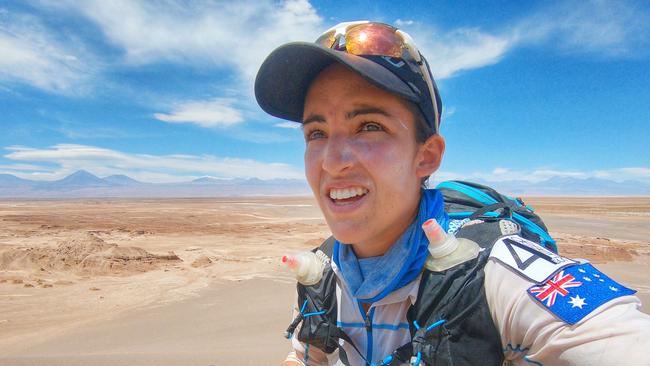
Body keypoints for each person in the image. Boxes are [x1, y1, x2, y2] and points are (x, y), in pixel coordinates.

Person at [254, 21, 650, 366]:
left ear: (426, 157)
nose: (333, 161)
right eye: (317, 133)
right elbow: (307, 355)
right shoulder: (321, 274)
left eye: (369, 126)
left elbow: (618, 340)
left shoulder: (491, 275)